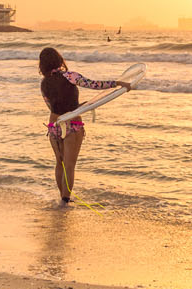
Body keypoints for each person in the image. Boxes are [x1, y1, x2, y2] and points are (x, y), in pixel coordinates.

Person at [39, 47, 130, 204]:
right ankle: (65, 200)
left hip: (54, 124)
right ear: (59, 60)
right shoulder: (70, 76)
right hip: (72, 123)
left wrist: (80, 105)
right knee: (69, 164)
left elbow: (53, 106)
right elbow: (93, 84)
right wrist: (117, 83)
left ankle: (62, 198)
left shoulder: (44, 83)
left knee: (59, 162)